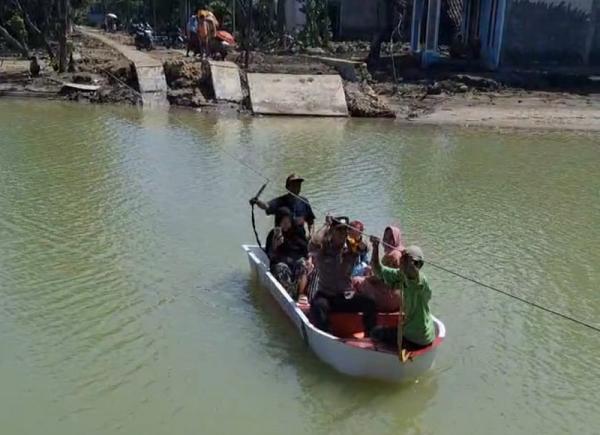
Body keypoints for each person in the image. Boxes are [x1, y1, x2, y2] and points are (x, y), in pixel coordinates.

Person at [309, 218, 377, 336]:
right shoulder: (323, 249)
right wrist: (326, 226)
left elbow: (365, 248)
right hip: (326, 295)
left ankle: (370, 336)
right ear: (332, 232)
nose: (343, 234)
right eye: (339, 230)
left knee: (369, 302)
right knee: (318, 306)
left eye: (345, 230)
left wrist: (357, 237)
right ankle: (326, 336)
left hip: (345, 296)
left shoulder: (351, 249)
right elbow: (313, 243)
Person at [370, 237, 435, 350]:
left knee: (376, 333)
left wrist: (410, 263)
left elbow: (415, 277)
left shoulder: (421, 281)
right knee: (379, 331)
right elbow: (377, 270)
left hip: (416, 337)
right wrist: (375, 247)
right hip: (418, 334)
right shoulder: (401, 275)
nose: (402, 261)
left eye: (406, 260)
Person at [354, 226, 404, 312]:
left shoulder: (392, 255)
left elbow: (379, 278)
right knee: (366, 273)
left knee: (356, 280)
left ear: (396, 239)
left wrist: (365, 279)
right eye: (385, 238)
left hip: (389, 299)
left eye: (390, 238)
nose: (387, 241)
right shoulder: (402, 253)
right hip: (400, 299)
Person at [251, 174, 316, 238]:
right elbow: (266, 206)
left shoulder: (304, 201)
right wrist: (257, 202)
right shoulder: (280, 201)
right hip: (282, 241)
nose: (296, 187)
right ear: (287, 187)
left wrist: (311, 234)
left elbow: (311, 221)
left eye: (298, 185)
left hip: (299, 240)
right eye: (293, 185)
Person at [265, 207, 309, 299]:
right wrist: (275, 245)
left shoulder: (298, 232)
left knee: (302, 264)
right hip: (281, 264)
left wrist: (307, 259)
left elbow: (305, 250)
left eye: (288, 222)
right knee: (282, 268)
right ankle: (289, 295)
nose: (286, 225)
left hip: (295, 262)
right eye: (283, 223)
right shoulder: (272, 235)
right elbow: (270, 257)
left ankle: (301, 294)